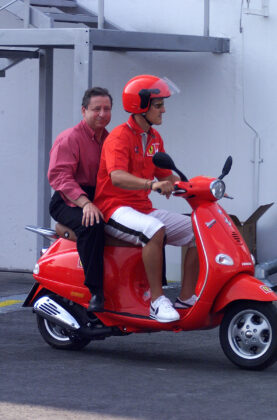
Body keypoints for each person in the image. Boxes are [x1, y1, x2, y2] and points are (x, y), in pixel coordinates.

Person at [93, 75, 199, 323]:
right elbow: (117, 177)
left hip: (141, 209)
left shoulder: (153, 138)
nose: (164, 110)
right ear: (141, 107)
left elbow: (167, 176)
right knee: (154, 229)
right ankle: (156, 301)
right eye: (158, 105)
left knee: (197, 230)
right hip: (113, 209)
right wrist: (151, 185)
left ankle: (185, 297)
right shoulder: (119, 137)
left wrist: (201, 188)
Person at [47, 87, 112, 312]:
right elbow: (60, 177)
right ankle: (95, 292)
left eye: (107, 109)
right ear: (84, 111)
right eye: (96, 109)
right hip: (68, 200)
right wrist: (85, 203)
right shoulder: (69, 138)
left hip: (99, 197)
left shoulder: (110, 139)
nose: (102, 114)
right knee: (92, 225)